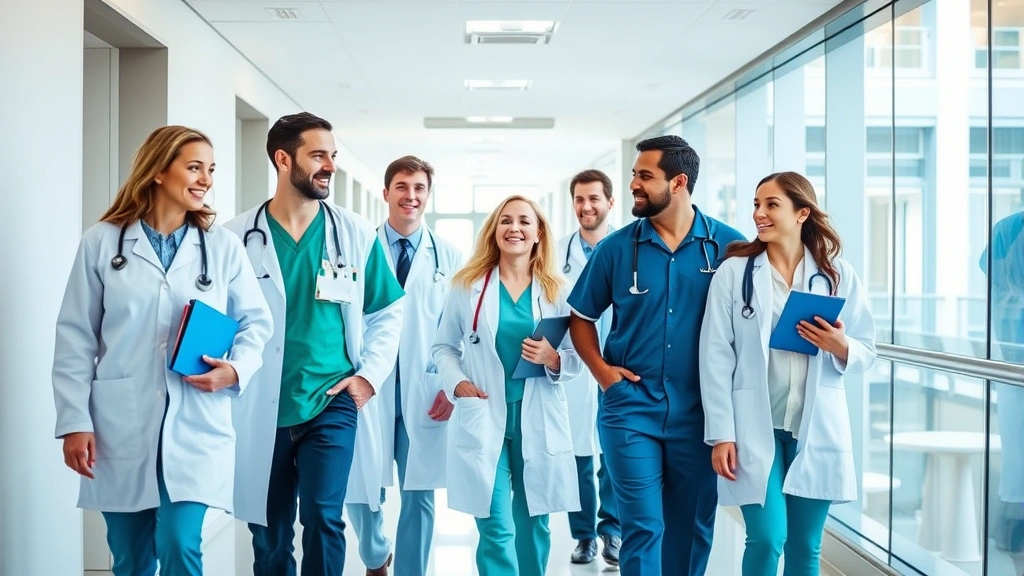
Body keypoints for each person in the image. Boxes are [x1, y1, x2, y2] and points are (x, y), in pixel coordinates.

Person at [52, 125, 273, 576]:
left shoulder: (222, 247)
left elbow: (257, 323)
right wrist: (74, 421)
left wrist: (234, 370)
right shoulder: (102, 242)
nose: (205, 179)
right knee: (131, 558)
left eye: (210, 169)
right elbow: (75, 337)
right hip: (120, 422)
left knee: (179, 543)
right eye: (194, 167)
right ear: (157, 171)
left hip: (196, 421)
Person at [225, 112, 405, 576]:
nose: (330, 166)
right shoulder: (233, 238)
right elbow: (215, 318)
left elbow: (387, 311)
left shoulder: (356, 234)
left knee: (324, 519)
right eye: (318, 155)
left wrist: (367, 377)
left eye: (333, 156)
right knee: (269, 534)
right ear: (283, 160)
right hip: (261, 402)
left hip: (332, 399)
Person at [567, 135, 745, 575]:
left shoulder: (728, 247)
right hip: (631, 410)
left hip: (702, 415)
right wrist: (604, 374)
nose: (633, 185)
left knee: (692, 528)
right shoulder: (616, 248)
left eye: (644, 176)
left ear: (679, 182)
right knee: (643, 526)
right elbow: (580, 318)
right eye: (633, 175)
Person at [699, 171, 876, 576]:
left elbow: (868, 349)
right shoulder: (735, 273)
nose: (759, 213)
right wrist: (721, 434)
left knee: (805, 547)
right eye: (756, 204)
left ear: (802, 213)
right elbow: (714, 358)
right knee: (765, 538)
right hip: (753, 426)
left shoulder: (835, 275)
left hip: (813, 427)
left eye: (771, 204)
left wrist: (840, 346)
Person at [432, 195, 583, 576]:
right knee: (495, 525)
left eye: (524, 222)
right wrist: (458, 383)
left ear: (538, 234)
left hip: (538, 416)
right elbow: (443, 346)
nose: (514, 228)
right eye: (505, 221)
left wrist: (553, 359)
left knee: (534, 525)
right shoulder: (467, 286)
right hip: (485, 416)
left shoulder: (559, 291)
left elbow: (578, 355)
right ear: (494, 231)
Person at [346, 155, 464, 576]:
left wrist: (452, 388)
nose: (410, 196)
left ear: (428, 195)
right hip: (368, 386)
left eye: (419, 188)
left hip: (425, 391)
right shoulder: (357, 247)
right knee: (358, 488)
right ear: (386, 193)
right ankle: (376, 552)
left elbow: (462, 331)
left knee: (419, 493)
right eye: (402, 186)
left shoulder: (450, 257)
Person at [555, 169, 621, 566]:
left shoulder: (629, 248)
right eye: (579, 199)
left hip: (617, 362)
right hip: (573, 366)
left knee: (614, 451)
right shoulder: (555, 252)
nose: (586, 207)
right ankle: (583, 536)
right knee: (578, 452)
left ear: (610, 203)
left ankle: (612, 531)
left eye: (594, 198)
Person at [980, 208, 1024, 575]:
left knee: (1017, 476)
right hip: (1014, 369)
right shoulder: (1011, 228)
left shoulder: (1007, 229)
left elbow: (993, 282)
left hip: (1011, 365)